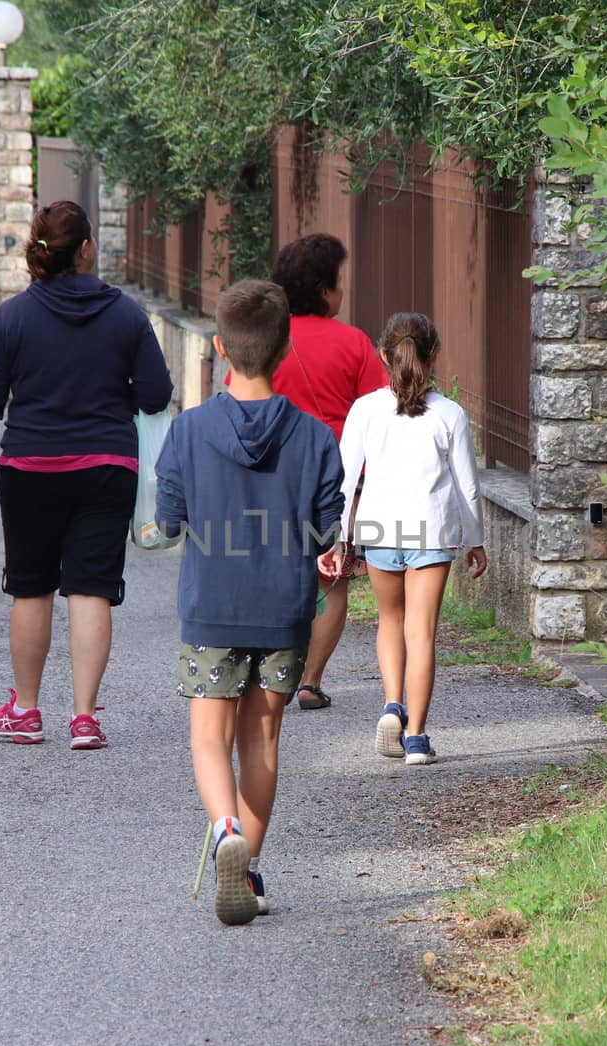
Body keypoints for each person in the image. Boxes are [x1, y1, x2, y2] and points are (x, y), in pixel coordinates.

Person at [0, 200, 172, 750]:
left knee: (32, 589)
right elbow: (158, 395)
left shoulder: (12, 319)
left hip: (30, 471)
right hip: (107, 468)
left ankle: (26, 710)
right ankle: (85, 718)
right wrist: (114, 392)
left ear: (37, 252)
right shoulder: (127, 316)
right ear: (86, 249)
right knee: (90, 590)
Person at [155, 279, 344, 925]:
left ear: (218, 348)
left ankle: (225, 829)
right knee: (261, 743)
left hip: (212, 606)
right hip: (283, 612)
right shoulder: (317, 437)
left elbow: (170, 522)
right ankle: (251, 866)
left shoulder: (186, 430)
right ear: (285, 348)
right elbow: (327, 530)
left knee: (209, 739)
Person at [320, 312, 487, 766]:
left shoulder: (366, 410)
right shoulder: (449, 414)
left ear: (382, 356)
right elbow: (468, 486)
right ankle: (415, 737)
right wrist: (475, 540)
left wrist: (337, 539)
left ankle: (392, 703)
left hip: (378, 528)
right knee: (422, 633)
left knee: (390, 622)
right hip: (431, 529)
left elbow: (343, 477)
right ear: (434, 356)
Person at [265, 234, 389, 710]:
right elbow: (379, 411)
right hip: (336, 478)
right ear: (322, 287)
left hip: (273, 476)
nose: (344, 291)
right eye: (339, 282)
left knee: (275, 574)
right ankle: (310, 681)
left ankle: (272, 672)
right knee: (330, 579)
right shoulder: (354, 342)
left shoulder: (268, 336)